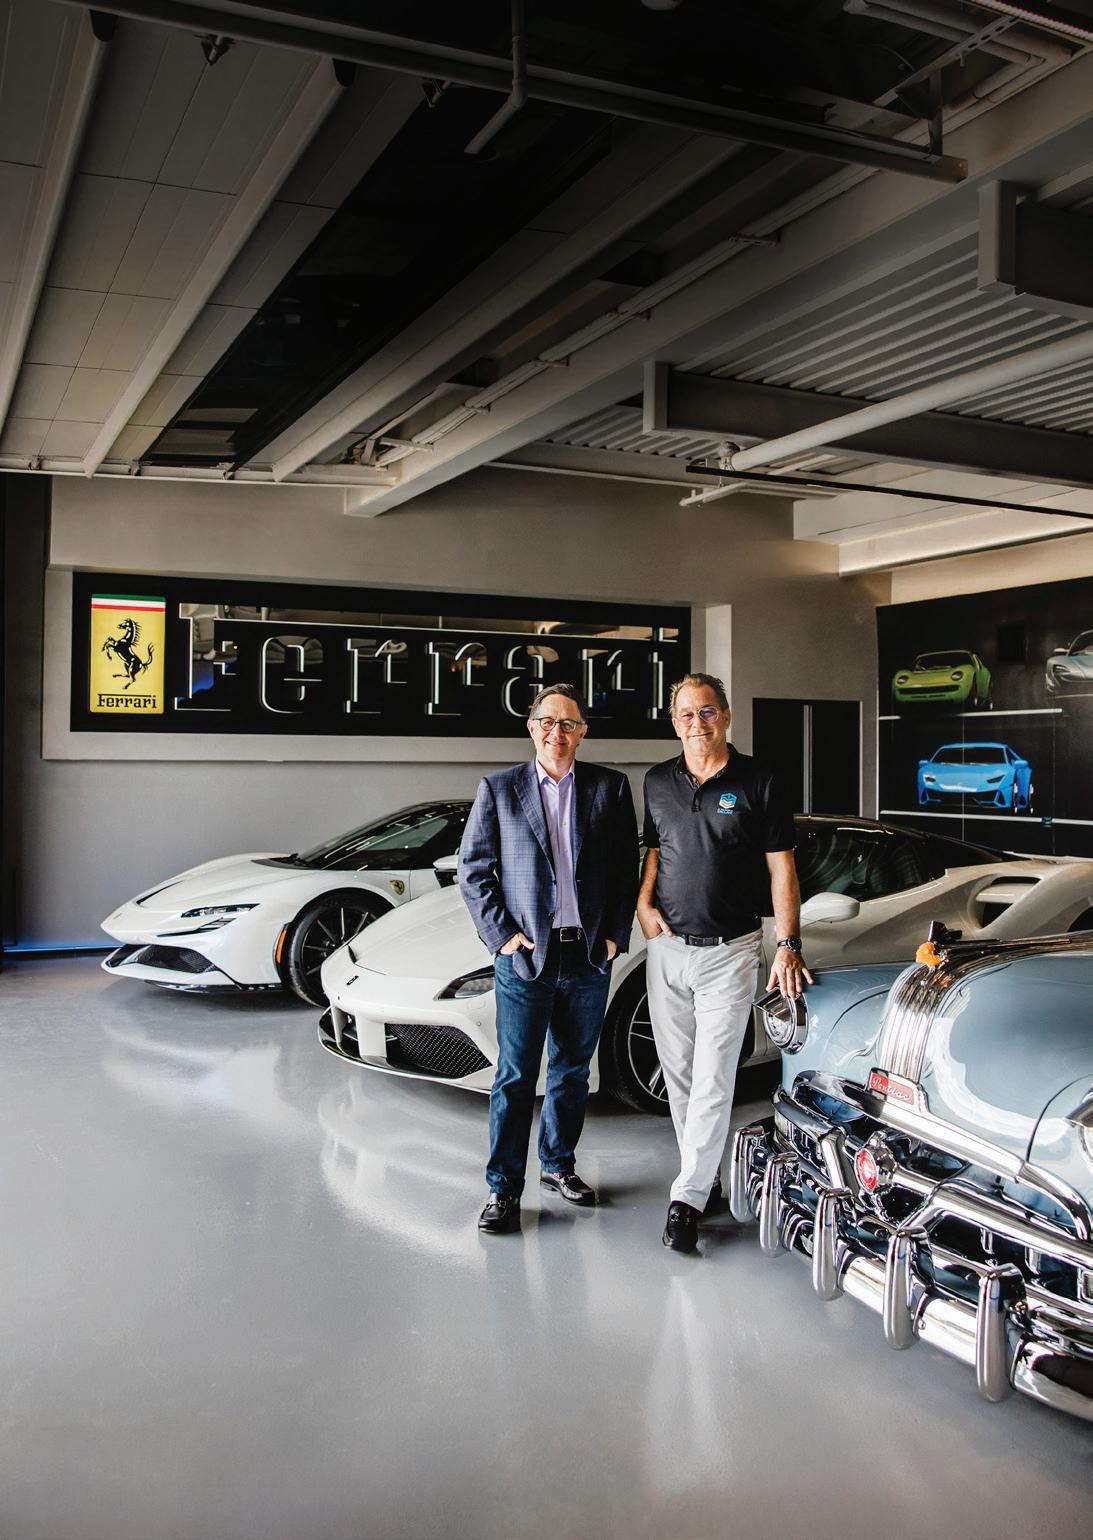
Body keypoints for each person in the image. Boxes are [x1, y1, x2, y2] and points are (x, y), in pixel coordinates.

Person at [638, 672, 811, 1254]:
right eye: (686, 714)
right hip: (667, 949)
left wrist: (788, 943)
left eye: (708, 711)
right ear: (674, 722)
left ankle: (685, 1199)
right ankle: (703, 1174)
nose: (698, 723)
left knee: (714, 1077)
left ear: (727, 716)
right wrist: (643, 902)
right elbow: (656, 850)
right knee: (680, 1074)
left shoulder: (761, 779)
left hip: (731, 952)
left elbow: (782, 868)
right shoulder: (657, 781)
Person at [458, 683, 639, 1234]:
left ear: (582, 732)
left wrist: (615, 936)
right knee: (515, 1075)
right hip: (525, 958)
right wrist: (503, 937)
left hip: (588, 956)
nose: (556, 732)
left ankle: (559, 1165)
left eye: (568, 723)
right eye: (547, 722)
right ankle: (503, 1188)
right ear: (531, 728)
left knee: (572, 1071)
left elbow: (625, 869)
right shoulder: (499, 789)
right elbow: (473, 870)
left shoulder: (610, 788)